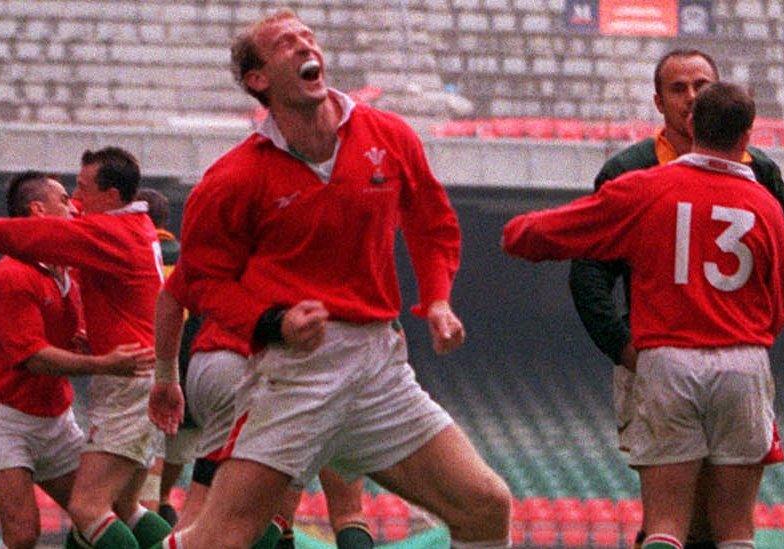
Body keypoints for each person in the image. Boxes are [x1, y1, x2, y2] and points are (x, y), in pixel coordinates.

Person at [148, 8, 512, 549]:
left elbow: (432, 222)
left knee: (486, 507)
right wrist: (274, 321)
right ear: (258, 80)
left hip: (378, 368)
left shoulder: (386, 134)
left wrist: (437, 299)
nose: (303, 45)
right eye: (284, 43)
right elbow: (201, 283)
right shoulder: (233, 178)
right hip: (295, 374)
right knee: (222, 538)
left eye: (307, 37)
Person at [567, 49, 784, 549]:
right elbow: (589, 273)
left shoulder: (757, 168)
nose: (692, 98)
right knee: (690, 521)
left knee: (693, 522)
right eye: (678, 88)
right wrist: (623, 347)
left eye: (701, 86)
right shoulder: (630, 170)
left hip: (727, 355)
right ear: (659, 103)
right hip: (666, 356)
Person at [505, 82, 784, 549]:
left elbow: (556, 231)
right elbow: (778, 308)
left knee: (664, 524)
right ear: (747, 138)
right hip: (743, 362)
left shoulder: (649, 188)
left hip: (668, 362)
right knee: (737, 530)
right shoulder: (768, 207)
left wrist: (519, 233)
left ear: (692, 125)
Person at [0, 147, 172, 549]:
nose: (75, 203)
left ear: (110, 196)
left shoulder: (88, 248)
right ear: (39, 212)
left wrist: (101, 360)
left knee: (93, 508)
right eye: (67, 196)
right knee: (29, 533)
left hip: (78, 405)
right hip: (4, 416)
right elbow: (34, 358)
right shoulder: (16, 275)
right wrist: (97, 354)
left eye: (80, 190)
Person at [151, 282, 375, 549]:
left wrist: (166, 375)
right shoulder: (329, 257)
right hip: (298, 368)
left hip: (220, 359)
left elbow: (176, 291)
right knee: (343, 511)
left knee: (224, 514)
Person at [134, 188, 197, 526]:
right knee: (162, 494)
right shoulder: (194, 258)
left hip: (151, 381)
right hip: (196, 382)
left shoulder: (136, 255)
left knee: (145, 496)